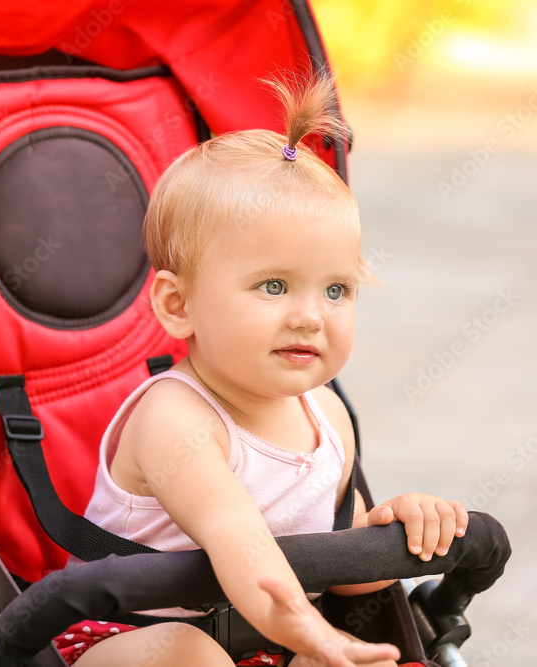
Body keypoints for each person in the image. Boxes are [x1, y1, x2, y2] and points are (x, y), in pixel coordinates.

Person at [57, 74, 468, 667]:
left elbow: (339, 566)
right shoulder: (176, 419)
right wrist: (314, 634)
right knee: (191, 655)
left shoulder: (327, 416)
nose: (310, 317)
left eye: (336, 289)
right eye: (273, 286)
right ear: (178, 306)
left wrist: (390, 532)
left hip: (271, 644)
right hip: (124, 641)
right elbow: (238, 539)